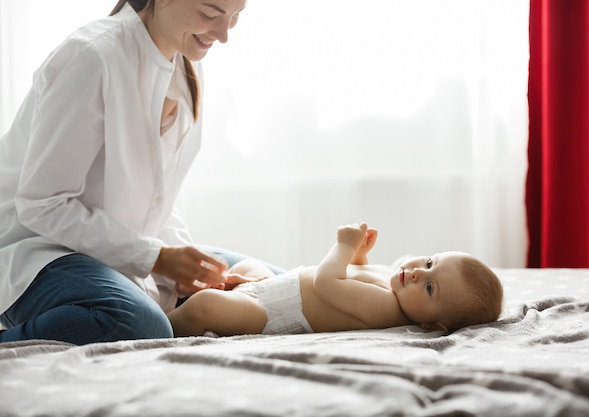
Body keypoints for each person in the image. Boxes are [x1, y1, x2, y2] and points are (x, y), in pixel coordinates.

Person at [0, 0, 282, 345]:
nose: (223, 35)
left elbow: (156, 199)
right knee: (138, 323)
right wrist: (157, 258)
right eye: (210, 14)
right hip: (38, 251)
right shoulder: (91, 56)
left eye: (235, 17)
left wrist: (183, 266)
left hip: (115, 250)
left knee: (273, 287)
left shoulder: (185, 63)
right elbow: (41, 204)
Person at [168, 223, 504, 337]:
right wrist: (360, 255)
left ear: (434, 326)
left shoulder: (388, 309)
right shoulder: (397, 283)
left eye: (430, 287)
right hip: (275, 287)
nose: (419, 272)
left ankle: (167, 322)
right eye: (430, 262)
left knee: (207, 308)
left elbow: (327, 284)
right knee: (251, 265)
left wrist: (343, 246)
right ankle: (225, 287)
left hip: (271, 314)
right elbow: (356, 275)